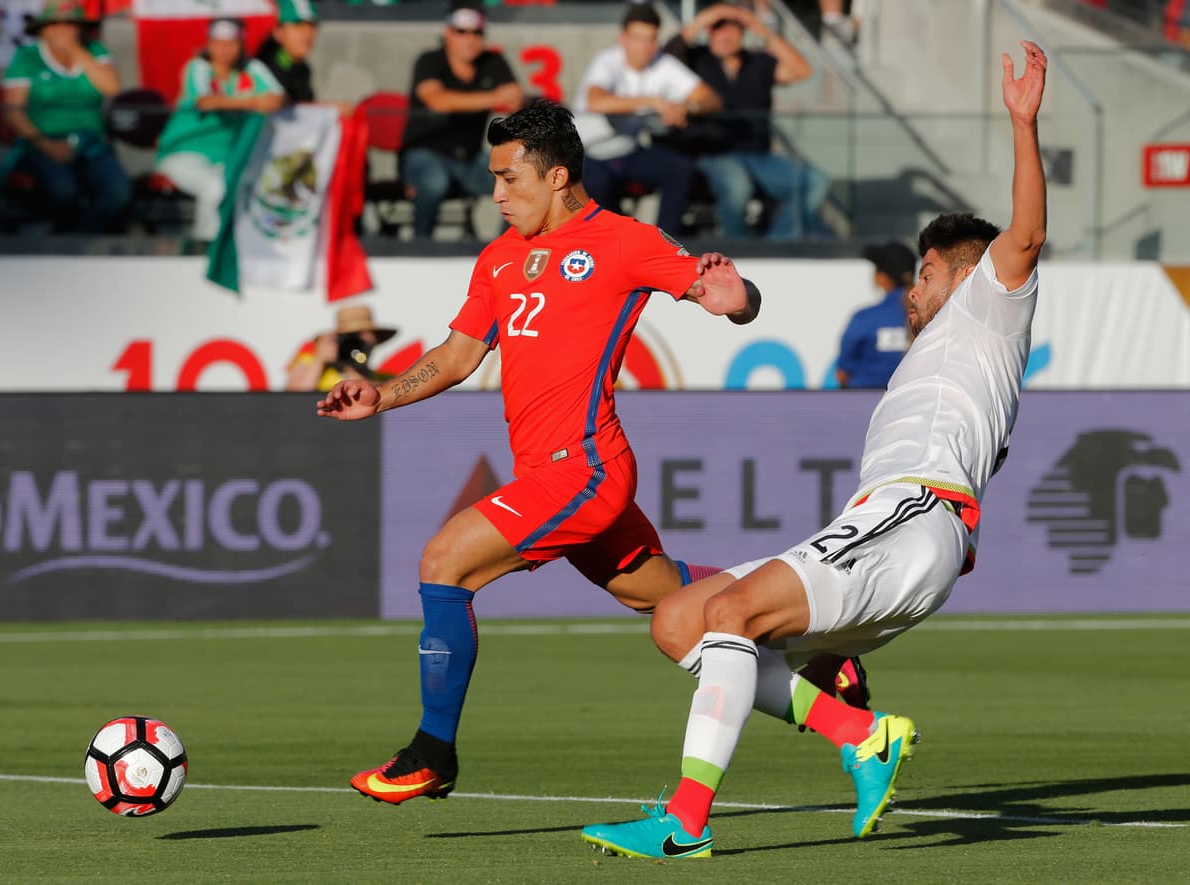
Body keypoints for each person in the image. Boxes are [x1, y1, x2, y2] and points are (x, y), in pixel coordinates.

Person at [582, 40, 1047, 858]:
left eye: (920, 278)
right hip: (898, 524)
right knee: (681, 619)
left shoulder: (986, 308)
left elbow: (1027, 237)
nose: (910, 294)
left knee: (726, 614)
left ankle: (685, 823)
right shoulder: (945, 364)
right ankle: (855, 733)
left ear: (942, 270)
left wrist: (1022, 123)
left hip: (913, 514)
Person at [317, 100, 761, 805]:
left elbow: (721, 293)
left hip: (586, 469)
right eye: (492, 179)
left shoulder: (621, 240)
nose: (495, 195)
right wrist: (383, 393)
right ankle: (811, 618)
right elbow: (460, 355)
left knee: (444, 560)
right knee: (660, 592)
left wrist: (738, 299)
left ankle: (432, 752)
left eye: (508, 179)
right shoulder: (499, 258)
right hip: (547, 473)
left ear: (557, 176)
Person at [664, 1, 831, 239]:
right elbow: (667, 54)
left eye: (732, 28)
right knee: (737, 186)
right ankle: (737, 251)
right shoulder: (696, 59)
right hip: (713, 153)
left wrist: (759, 27)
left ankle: (777, 245)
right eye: (718, 28)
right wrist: (709, 16)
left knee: (816, 181)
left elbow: (801, 70)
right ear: (709, 32)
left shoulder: (758, 62)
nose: (725, 35)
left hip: (758, 154)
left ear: (743, 32)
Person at [573, 2, 721, 235]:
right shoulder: (607, 61)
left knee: (680, 168)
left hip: (627, 150)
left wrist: (684, 106)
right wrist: (652, 102)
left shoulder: (663, 64)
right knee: (599, 195)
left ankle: (665, 245)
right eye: (638, 38)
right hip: (587, 154)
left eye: (651, 39)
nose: (645, 47)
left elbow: (711, 99)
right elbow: (596, 101)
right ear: (623, 39)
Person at [1, 0, 131, 233]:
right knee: (63, 190)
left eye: (71, 24)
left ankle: (79, 239)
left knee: (119, 192)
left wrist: (76, 51)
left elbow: (112, 87)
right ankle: (48, 237)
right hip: (41, 143)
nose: (63, 30)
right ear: (43, 30)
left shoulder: (94, 51)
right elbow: (13, 112)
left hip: (91, 143)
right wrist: (46, 144)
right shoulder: (27, 57)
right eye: (55, 25)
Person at [154, 18, 284, 244]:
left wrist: (267, 100)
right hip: (182, 154)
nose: (225, 50)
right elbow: (205, 101)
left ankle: (255, 247)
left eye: (231, 43)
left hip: (227, 158)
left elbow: (277, 96)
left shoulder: (251, 69)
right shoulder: (198, 67)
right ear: (209, 44)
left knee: (265, 186)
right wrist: (252, 103)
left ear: (241, 45)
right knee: (215, 187)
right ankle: (205, 248)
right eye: (218, 43)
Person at [399, 3, 523, 240]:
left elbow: (515, 97)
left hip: (470, 157)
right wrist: (493, 97)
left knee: (518, 181)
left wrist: (493, 98)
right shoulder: (430, 60)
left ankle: (507, 248)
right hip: (424, 152)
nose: (470, 39)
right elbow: (436, 100)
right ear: (447, 32)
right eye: (461, 31)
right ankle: (419, 248)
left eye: (477, 33)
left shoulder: (492, 62)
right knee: (434, 182)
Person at [834, 241, 915, 389]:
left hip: (862, 405)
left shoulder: (864, 319)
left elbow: (842, 374)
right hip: (911, 406)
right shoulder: (929, 318)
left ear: (882, 277)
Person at [285, 304, 398, 392]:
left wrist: (349, 371)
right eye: (351, 335)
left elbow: (387, 396)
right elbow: (294, 397)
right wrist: (319, 360)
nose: (355, 343)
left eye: (363, 334)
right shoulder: (308, 363)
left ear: (375, 339)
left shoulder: (385, 379)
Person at [255, 0, 318, 105]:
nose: (307, 34)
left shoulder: (302, 68)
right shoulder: (265, 66)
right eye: (298, 25)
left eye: (311, 26)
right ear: (278, 31)